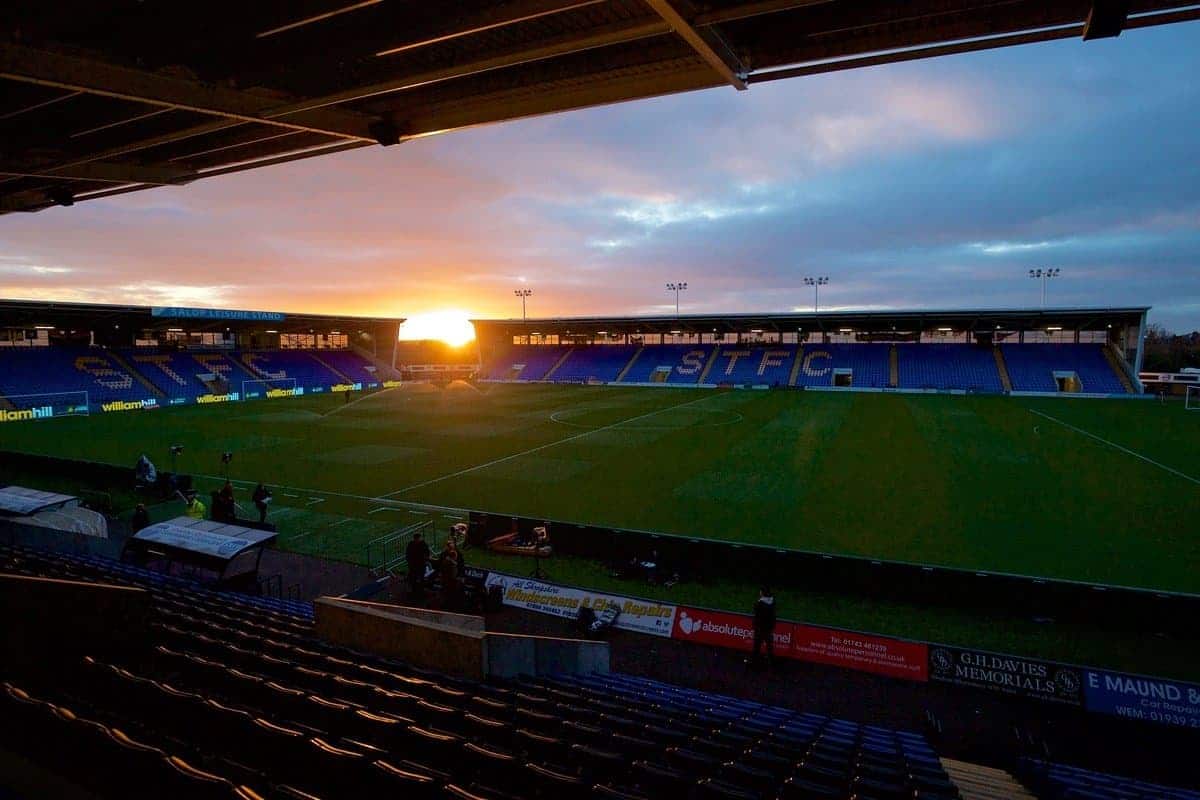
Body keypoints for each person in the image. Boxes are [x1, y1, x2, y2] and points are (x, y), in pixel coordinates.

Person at [752, 587, 776, 667]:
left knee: (757, 646)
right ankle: (771, 663)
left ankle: (755, 663)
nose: (759, 593)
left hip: (760, 629)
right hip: (768, 629)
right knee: (769, 647)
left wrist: (755, 626)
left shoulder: (759, 604)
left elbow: (756, 616)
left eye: (760, 592)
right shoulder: (772, 603)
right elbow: (773, 617)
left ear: (762, 593)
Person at [405, 532, 431, 603]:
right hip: (416, 564)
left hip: (418, 564)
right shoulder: (421, 544)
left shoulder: (413, 544)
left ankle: (418, 591)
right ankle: (417, 591)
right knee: (416, 577)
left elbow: (408, 553)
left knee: (418, 577)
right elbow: (427, 552)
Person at [440, 540, 461, 611]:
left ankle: (446, 604)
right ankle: (448, 606)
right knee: (448, 593)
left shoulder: (447, 560)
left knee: (446, 592)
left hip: (447, 579)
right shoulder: (451, 563)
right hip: (450, 580)